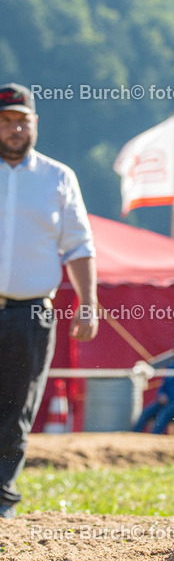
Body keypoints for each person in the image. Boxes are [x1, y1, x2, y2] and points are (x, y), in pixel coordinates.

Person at [0, 83, 97, 519]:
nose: (15, 128)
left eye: (22, 120)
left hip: (32, 311)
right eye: (6, 121)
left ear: (35, 123)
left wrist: (88, 301)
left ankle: (2, 500)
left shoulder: (59, 177)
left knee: (17, 407)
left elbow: (78, 246)